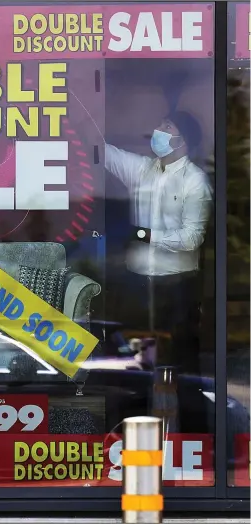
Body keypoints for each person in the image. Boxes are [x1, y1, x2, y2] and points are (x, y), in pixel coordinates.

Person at [104, 111, 213, 374]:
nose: (157, 129)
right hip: (138, 284)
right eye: (160, 124)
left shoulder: (195, 181)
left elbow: (192, 238)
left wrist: (146, 235)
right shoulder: (142, 170)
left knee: (178, 359)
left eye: (166, 126)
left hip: (176, 285)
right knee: (133, 357)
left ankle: (185, 411)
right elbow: (103, 153)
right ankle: (137, 407)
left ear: (182, 141)